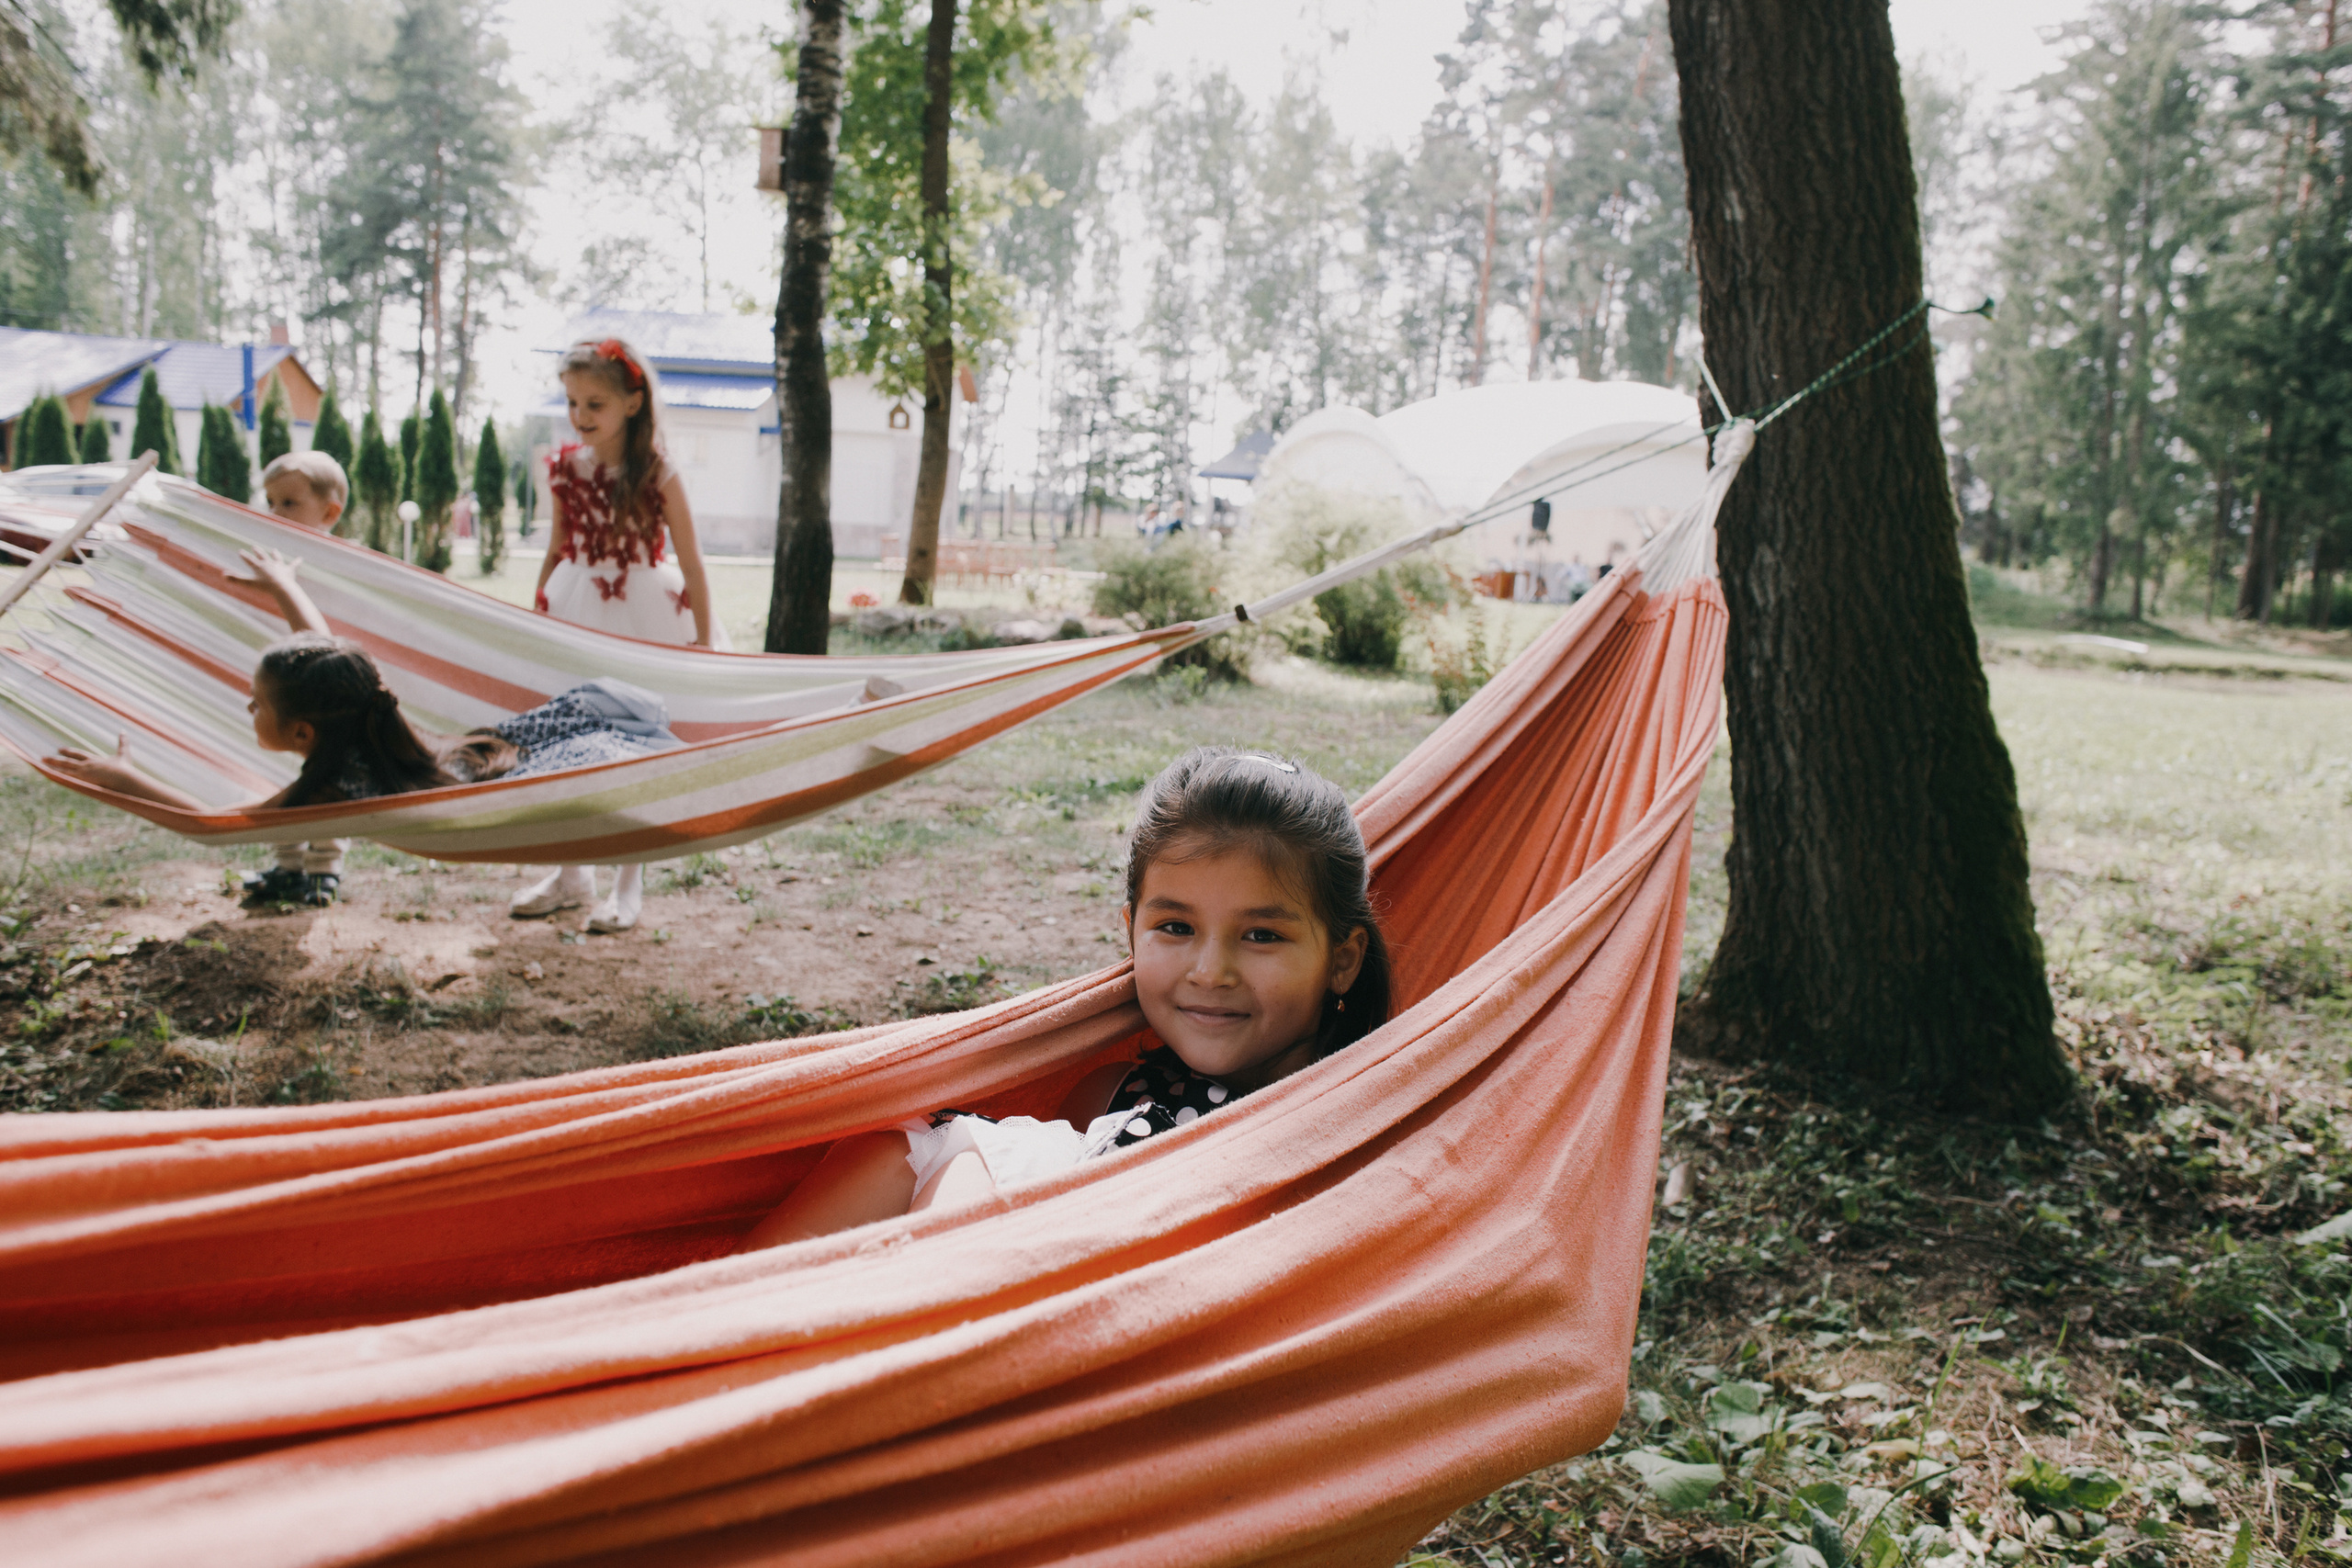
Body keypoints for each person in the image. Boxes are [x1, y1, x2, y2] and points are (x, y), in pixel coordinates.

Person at [738, 746, 1391, 1252]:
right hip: (1006, 1275)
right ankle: (691, 1350)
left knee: (966, 1151)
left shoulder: (1361, 1112)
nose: (1209, 969)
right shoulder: (1109, 1093)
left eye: (1261, 934)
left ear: (1342, 960)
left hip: (1074, 1329)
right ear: (1129, 931)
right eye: (1175, 927)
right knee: (895, 1147)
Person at [46, 552, 684, 850]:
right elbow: (327, 652)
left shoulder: (331, 787)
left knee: (627, 758)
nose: (247, 710)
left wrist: (126, 778)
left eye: (254, 703)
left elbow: (225, 826)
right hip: (509, 756)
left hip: (532, 771)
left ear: (301, 733)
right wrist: (285, 586)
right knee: (607, 734)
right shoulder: (365, 707)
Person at [515, 337, 720, 935]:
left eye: (594, 403)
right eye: (572, 402)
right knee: (570, 737)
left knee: (635, 742)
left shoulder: (658, 471)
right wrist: (535, 615)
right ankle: (570, 871)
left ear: (633, 403)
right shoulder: (562, 468)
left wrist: (703, 642)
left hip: (646, 611)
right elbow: (556, 548)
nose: (580, 417)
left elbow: (694, 561)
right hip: (577, 603)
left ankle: (628, 883)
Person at [243, 451, 355, 905]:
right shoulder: (271, 561)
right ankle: (287, 864)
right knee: (275, 774)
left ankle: (324, 868)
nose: (274, 513)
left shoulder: (345, 565)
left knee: (329, 780)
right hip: (283, 693)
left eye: (289, 503)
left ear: (330, 512)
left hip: (331, 696)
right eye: (269, 502)